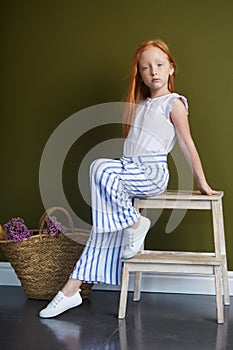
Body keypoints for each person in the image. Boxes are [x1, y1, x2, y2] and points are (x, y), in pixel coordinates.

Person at [39, 39, 218, 318]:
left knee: (100, 167)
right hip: (128, 170)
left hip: (152, 173)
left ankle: (134, 224)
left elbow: (187, 144)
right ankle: (71, 289)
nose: (153, 71)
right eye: (146, 67)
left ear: (171, 68)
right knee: (104, 222)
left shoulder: (174, 103)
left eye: (159, 65)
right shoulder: (142, 104)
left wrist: (201, 182)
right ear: (140, 73)